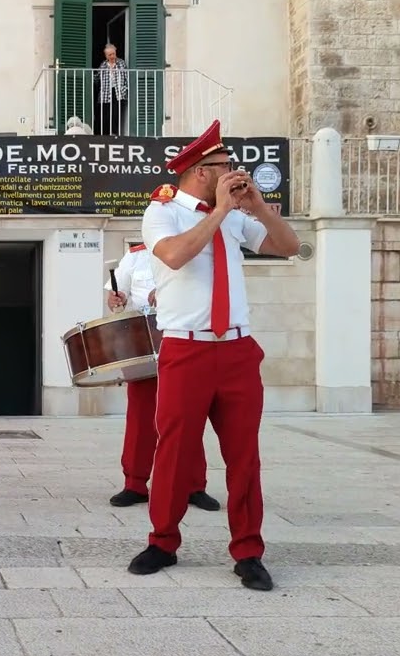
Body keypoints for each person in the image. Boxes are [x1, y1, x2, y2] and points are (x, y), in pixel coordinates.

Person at [125, 119, 300, 591]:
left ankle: (248, 551)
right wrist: (221, 212)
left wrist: (258, 208)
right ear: (202, 172)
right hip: (187, 348)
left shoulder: (237, 216)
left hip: (238, 348)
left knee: (245, 456)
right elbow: (176, 256)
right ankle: (163, 541)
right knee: (175, 451)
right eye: (226, 167)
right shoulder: (162, 213)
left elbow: (290, 247)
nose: (235, 174)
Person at [105, 242, 218, 512]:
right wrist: (115, 299)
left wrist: (169, 291)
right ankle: (134, 484)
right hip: (141, 343)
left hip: (183, 340)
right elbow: (115, 297)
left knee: (187, 415)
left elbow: (207, 291)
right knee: (141, 416)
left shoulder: (196, 251)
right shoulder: (135, 256)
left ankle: (194, 486)